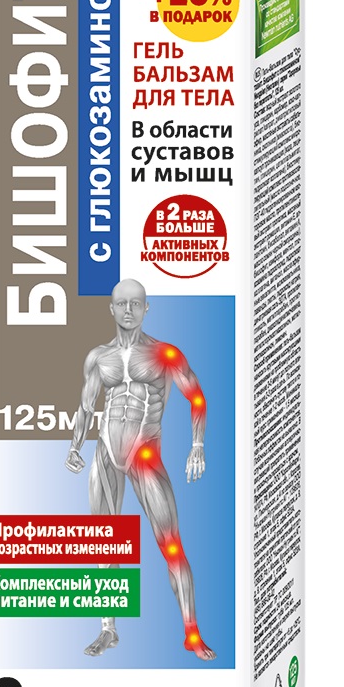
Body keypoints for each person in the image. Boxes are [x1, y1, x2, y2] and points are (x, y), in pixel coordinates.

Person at [65, 278, 215, 660]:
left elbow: (196, 396)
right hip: (105, 452)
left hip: (144, 453)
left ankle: (192, 633)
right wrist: (74, 446)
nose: (128, 310)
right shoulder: (99, 357)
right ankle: (108, 629)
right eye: (122, 303)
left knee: (170, 542)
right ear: (111, 309)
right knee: (104, 543)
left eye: (136, 303)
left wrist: (197, 445)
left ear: (146, 308)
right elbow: (85, 407)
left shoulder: (164, 353)